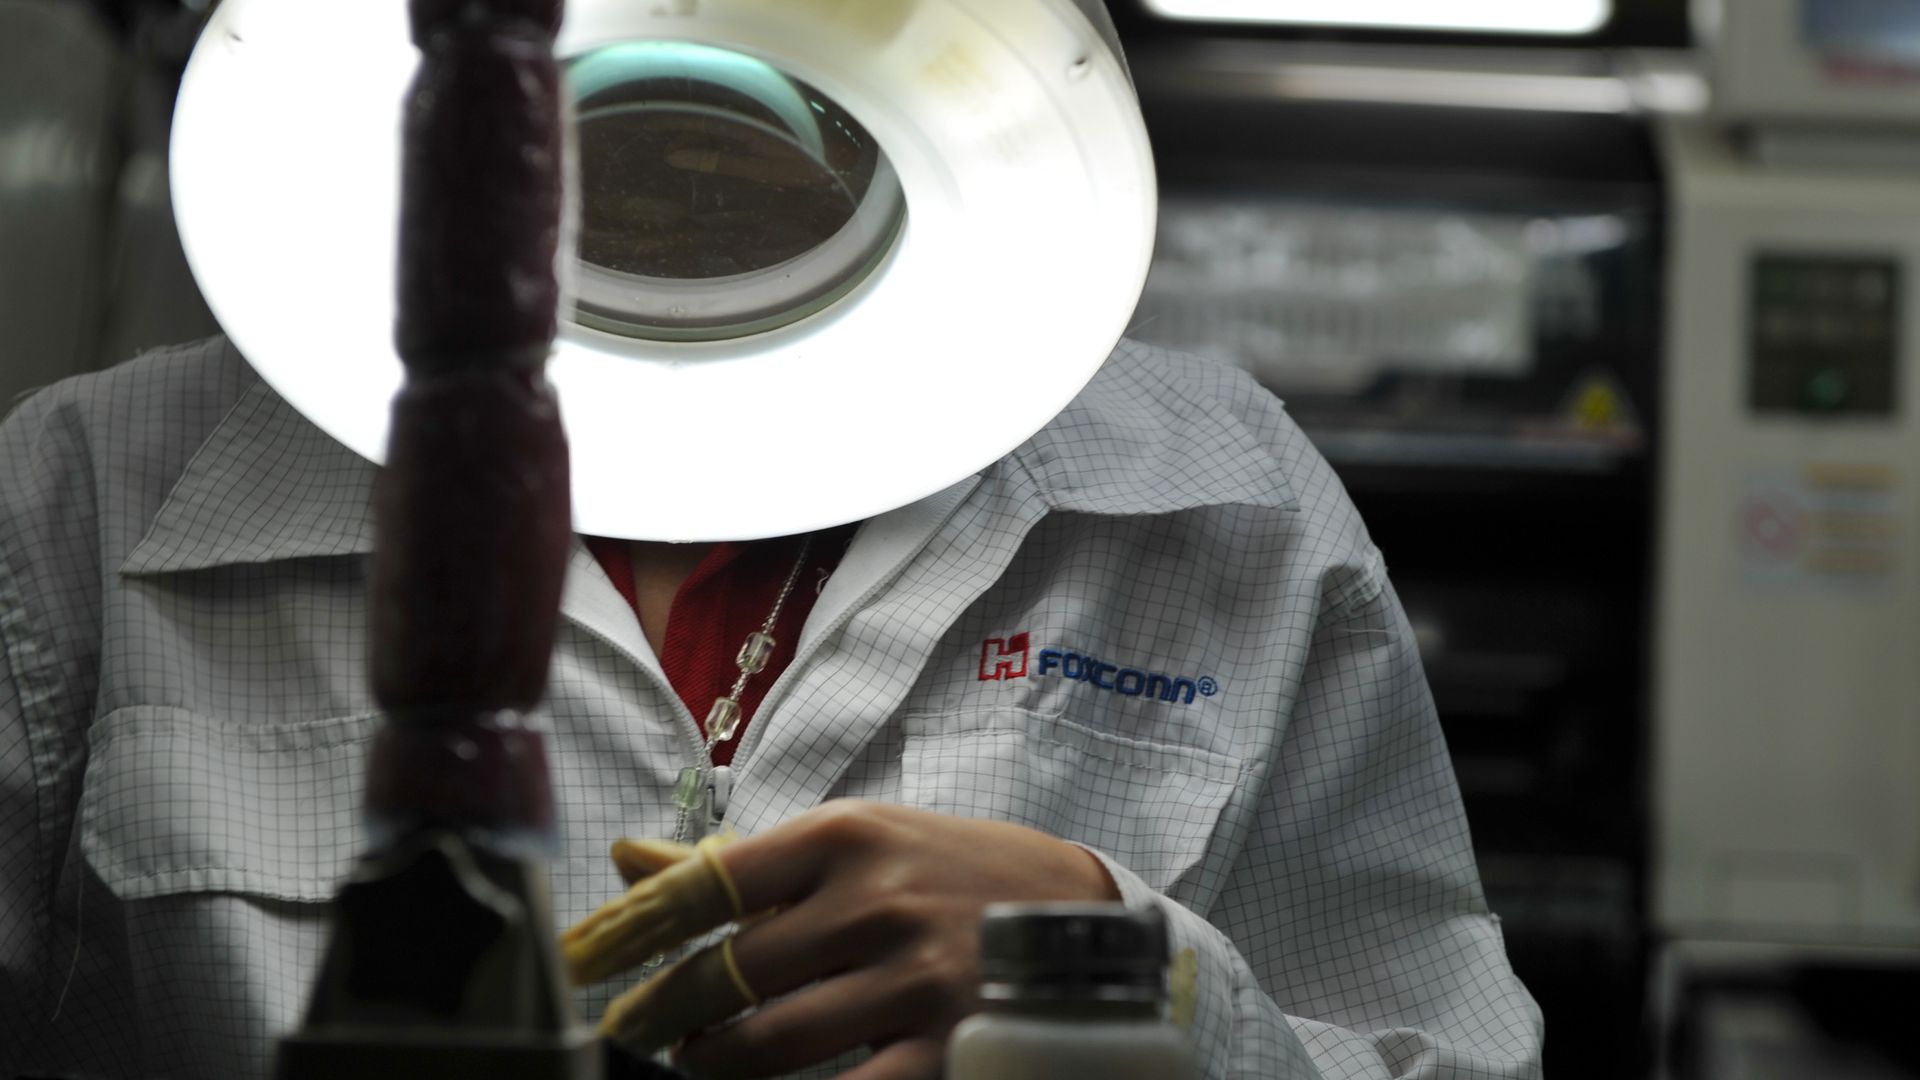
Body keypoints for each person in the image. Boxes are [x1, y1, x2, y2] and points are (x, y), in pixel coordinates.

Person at [0, 4, 1542, 1079]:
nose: (685, 186)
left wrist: (1133, 989)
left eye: (742, 153)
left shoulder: (1220, 497)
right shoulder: (91, 495)